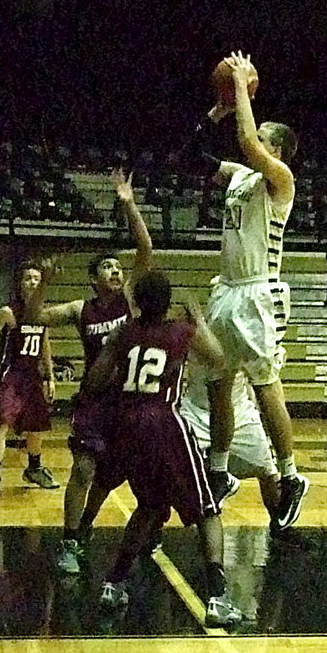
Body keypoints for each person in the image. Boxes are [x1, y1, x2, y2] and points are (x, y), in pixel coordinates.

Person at [85, 269, 240, 627]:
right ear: (168, 302)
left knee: (152, 506)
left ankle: (113, 582)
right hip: (164, 422)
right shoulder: (180, 331)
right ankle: (217, 597)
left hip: (125, 425)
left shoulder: (123, 332)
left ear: (136, 302)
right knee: (208, 508)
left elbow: (94, 381)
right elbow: (218, 359)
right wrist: (198, 320)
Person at [202, 52, 308, 531]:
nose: (254, 138)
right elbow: (193, 157)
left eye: (266, 138)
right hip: (226, 290)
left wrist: (242, 86)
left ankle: (290, 476)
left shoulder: (279, 180)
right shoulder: (241, 176)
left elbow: (247, 142)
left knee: (265, 385)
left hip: (257, 292)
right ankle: (220, 470)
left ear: (277, 152)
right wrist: (217, 112)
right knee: (218, 383)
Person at [37, 169, 152, 573]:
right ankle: (69, 541)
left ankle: (101, 531)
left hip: (130, 400)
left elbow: (145, 248)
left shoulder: (132, 303)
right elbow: (36, 316)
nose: (116, 272)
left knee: (121, 476)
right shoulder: (80, 309)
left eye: (118, 268)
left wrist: (128, 203)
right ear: (93, 278)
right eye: (107, 268)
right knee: (83, 469)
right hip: (95, 400)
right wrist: (41, 282)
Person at [0, 260, 59, 499]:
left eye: (36, 278)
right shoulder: (9, 312)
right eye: (28, 278)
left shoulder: (43, 313)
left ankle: (34, 468)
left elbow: (44, 345)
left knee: (37, 427)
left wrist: (50, 377)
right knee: (3, 423)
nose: (33, 282)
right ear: (20, 284)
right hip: (11, 376)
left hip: (33, 377)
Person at [180, 361, 280, 519]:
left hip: (239, 410)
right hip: (195, 409)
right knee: (173, 471)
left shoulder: (242, 338)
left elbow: (260, 375)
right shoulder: (194, 335)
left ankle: (282, 524)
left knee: (268, 471)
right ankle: (153, 528)